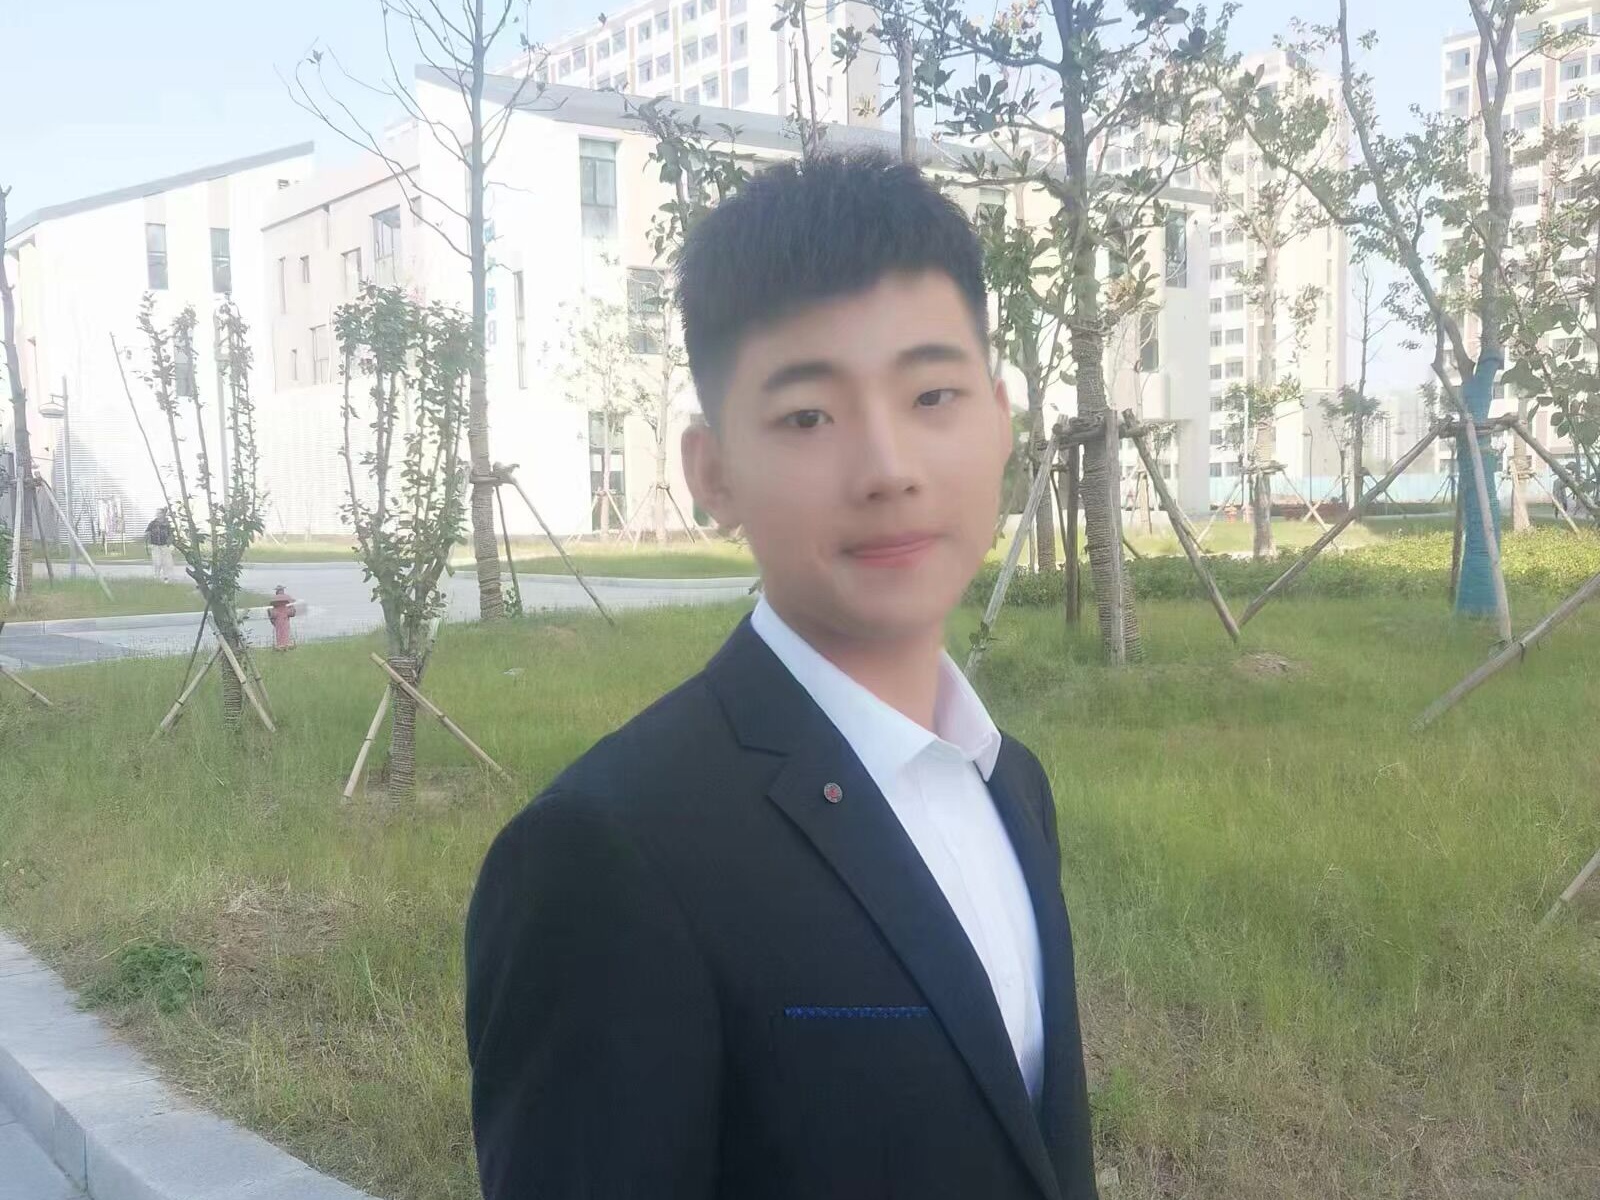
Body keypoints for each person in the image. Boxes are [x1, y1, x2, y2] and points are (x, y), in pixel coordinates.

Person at [465, 153, 1098, 1200]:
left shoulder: (1011, 783)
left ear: (999, 421)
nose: (887, 468)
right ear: (713, 473)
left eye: (932, 395)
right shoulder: (608, 855)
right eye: (808, 416)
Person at [144, 507, 174, 582]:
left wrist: (170, 543)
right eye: (157, 513)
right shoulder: (152, 523)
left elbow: (171, 534)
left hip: (165, 545)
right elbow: (147, 532)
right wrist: (148, 536)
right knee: (157, 562)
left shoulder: (167, 524)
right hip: (155, 545)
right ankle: (156, 576)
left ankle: (166, 577)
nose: (158, 514)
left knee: (166, 562)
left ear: (163, 514)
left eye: (159, 513)